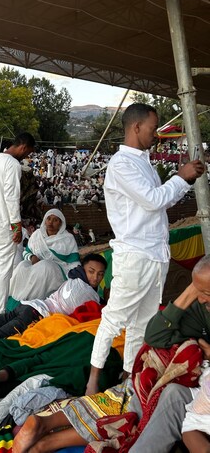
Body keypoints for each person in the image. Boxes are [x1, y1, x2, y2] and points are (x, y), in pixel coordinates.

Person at [12, 254, 210, 453]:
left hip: (185, 391)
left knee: (128, 403)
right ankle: (47, 435)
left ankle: (47, 435)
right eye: (198, 291)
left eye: (205, 293)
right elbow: (154, 336)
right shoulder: (202, 308)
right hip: (156, 380)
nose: (200, 298)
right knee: (129, 396)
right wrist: (190, 292)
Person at [86, 103, 204, 395]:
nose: (156, 133)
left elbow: (159, 202)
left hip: (154, 255)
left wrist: (181, 180)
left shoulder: (142, 163)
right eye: (153, 128)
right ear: (136, 127)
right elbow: (154, 200)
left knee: (144, 323)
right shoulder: (121, 164)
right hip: (135, 255)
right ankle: (92, 383)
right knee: (114, 319)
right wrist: (182, 177)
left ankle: (128, 378)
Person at [0, 132, 36, 316]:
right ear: (24, 147)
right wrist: (16, 225)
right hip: (2, 222)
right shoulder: (12, 164)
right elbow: (11, 196)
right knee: (3, 267)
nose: (27, 157)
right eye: (28, 153)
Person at [9, 209, 80, 301]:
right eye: (49, 219)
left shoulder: (68, 238)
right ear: (45, 220)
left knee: (45, 265)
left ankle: (31, 301)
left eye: (55, 220)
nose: (50, 223)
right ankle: (13, 297)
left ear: (61, 223)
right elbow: (26, 252)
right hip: (37, 267)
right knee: (22, 266)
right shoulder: (37, 235)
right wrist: (32, 257)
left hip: (58, 271)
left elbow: (74, 262)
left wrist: (75, 280)